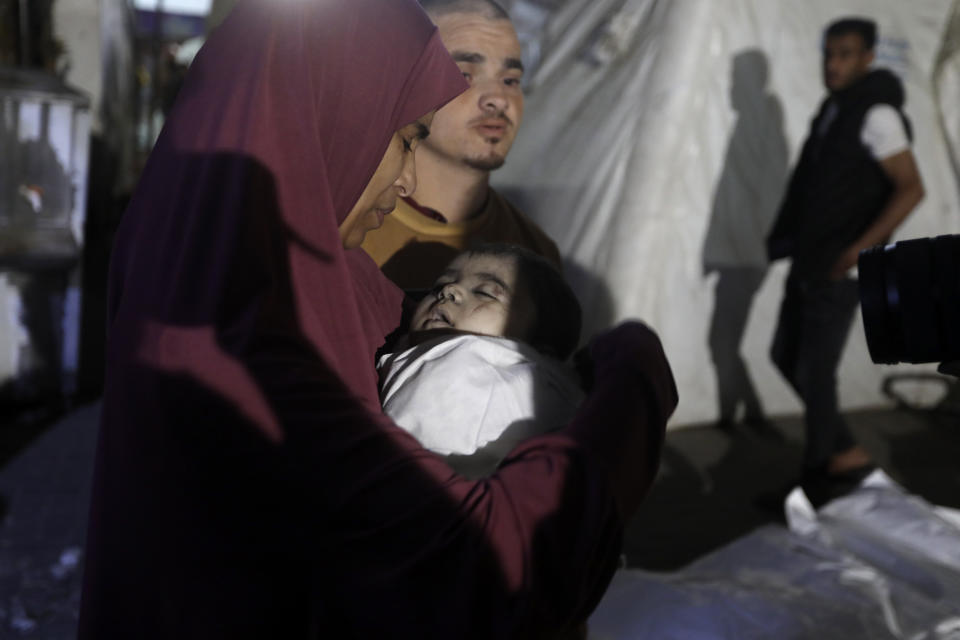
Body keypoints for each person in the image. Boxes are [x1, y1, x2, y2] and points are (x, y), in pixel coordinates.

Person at [78, 1, 679, 638]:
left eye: (514, 75)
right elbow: (487, 567)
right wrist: (630, 378)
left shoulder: (265, 265)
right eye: (403, 138)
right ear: (330, 118)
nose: (404, 177)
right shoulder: (240, 340)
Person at [765, 17, 924, 506]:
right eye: (829, 54)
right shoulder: (836, 109)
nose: (833, 65)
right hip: (814, 259)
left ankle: (817, 487)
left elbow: (911, 188)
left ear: (869, 57)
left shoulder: (877, 113)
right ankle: (845, 452)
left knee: (815, 372)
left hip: (842, 268)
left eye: (846, 54)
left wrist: (861, 250)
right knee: (786, 356)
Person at [361, 0, 561, 291]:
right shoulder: (348, 221)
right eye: (465, 75)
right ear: (402, 82)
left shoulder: (533, 251)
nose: (499, 99)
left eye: (510, 80)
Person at [379, 244, 584, 476]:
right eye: (438, 286)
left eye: (484, 292)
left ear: (540, 347)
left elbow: (394, 470)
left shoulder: (458, 365)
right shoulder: (565, 396)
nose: (450, 290)